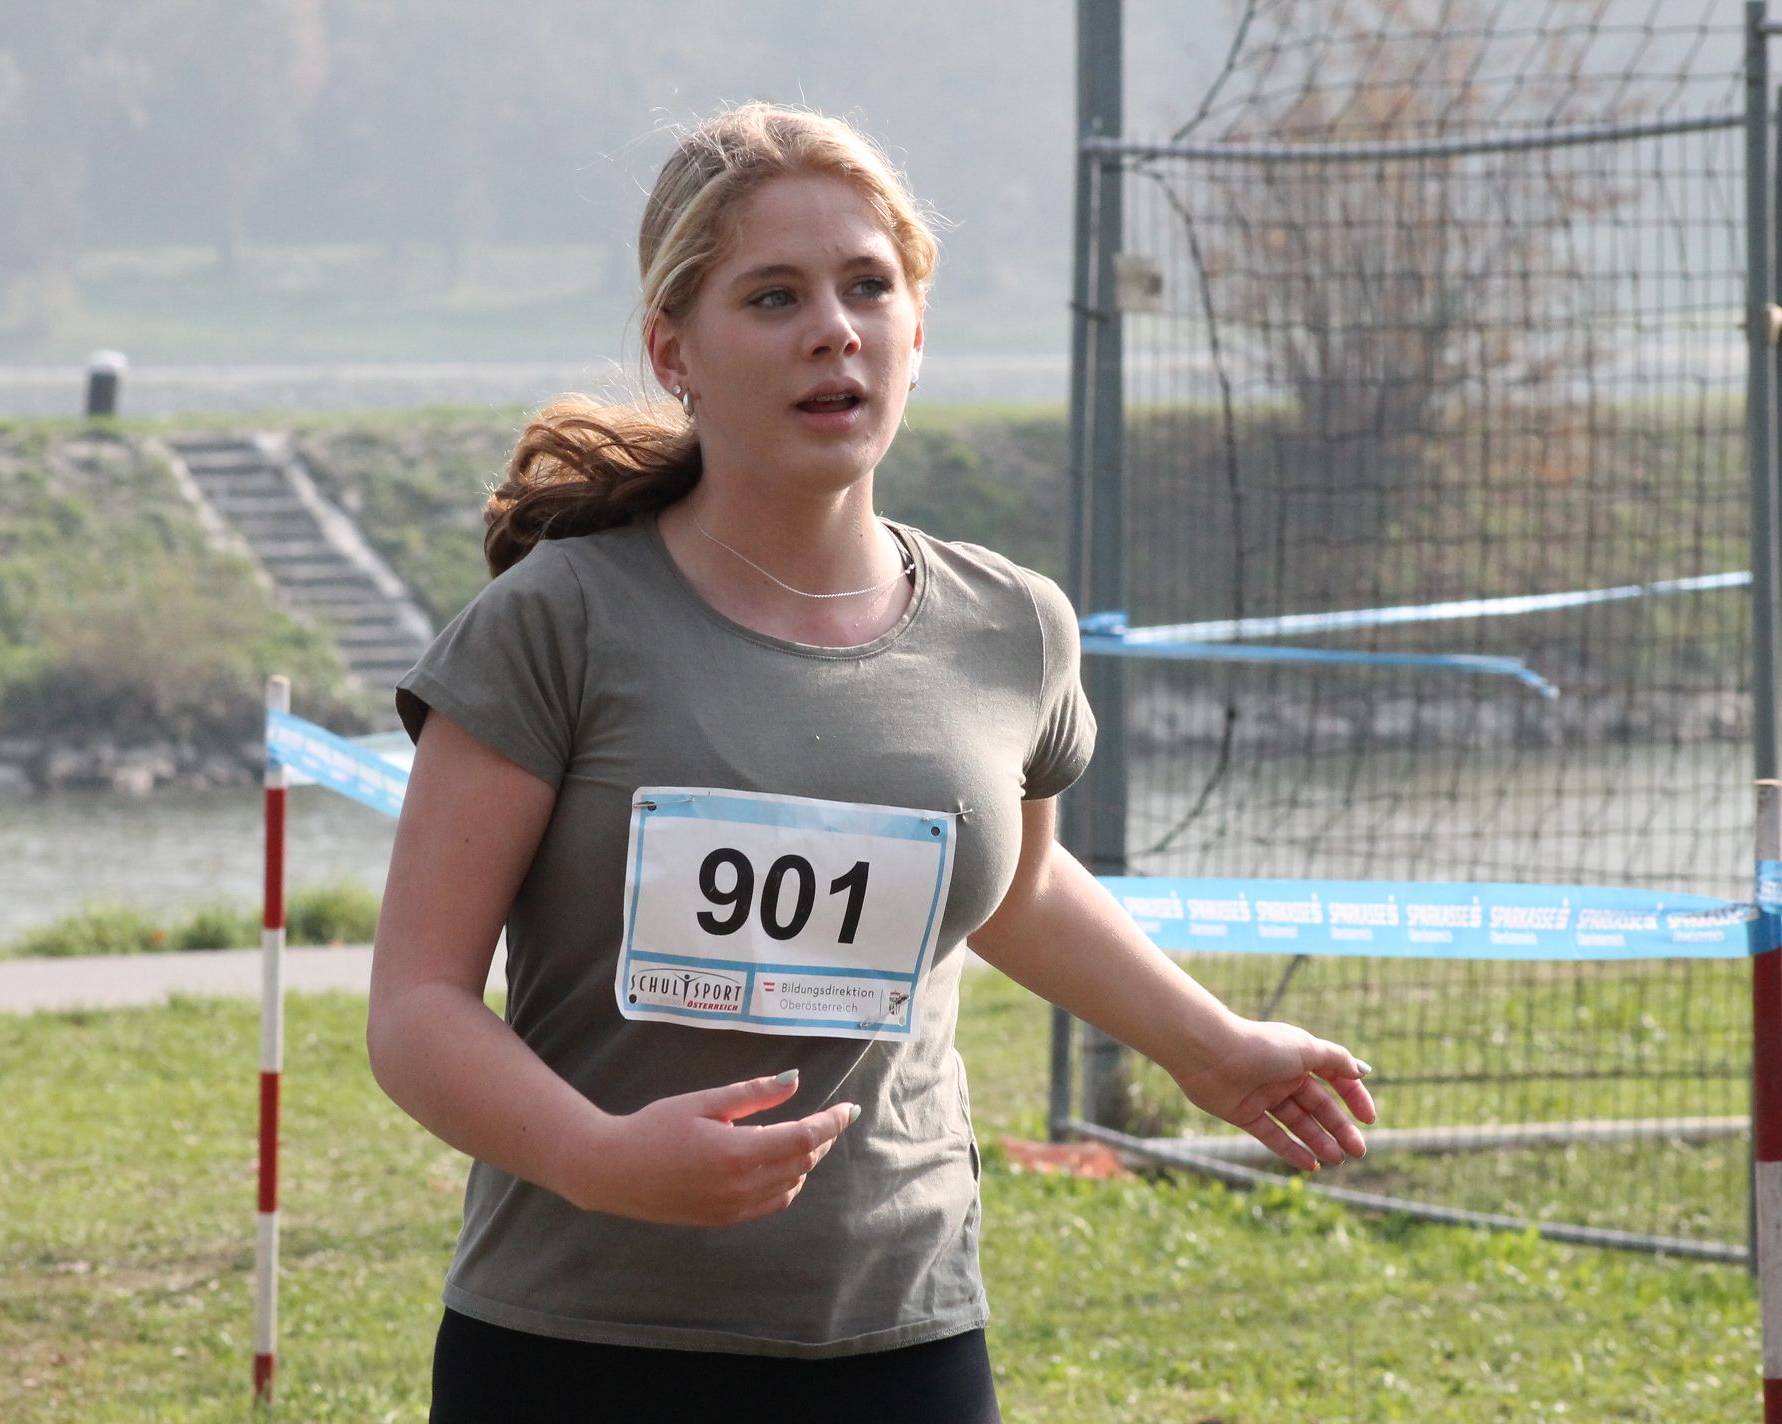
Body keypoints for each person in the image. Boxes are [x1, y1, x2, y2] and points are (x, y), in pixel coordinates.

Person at [368, 102, 1376, 1424]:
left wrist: (1215, 1046)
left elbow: (1021, 890)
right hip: (575, 1339)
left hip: (902, 1336)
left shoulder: (1015, 627)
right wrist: (599, 1158)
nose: (833, 330)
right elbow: (417, 1009)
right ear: (674, 350)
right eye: (772, 296)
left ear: (917, 327)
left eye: (867, 286)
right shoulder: (554, 622)